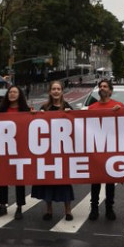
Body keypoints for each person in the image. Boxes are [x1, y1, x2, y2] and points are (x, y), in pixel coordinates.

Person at [32, 81, 75, 221]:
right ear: (50, 91)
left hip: (63, 151)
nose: (56, 91)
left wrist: (71, 114)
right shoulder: (44, 107)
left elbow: (77, 125)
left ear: (62, 91)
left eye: (58, 89)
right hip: (48, 150)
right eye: (53, 89)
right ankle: (48, 210)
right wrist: (35, 115)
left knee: (64, 180)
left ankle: (68, 210)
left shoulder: (67, 107)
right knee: (48, 179)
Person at [88, 79, 124, 221]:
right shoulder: (92, 108)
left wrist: (121, 112)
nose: (102, 88)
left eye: (105, 86)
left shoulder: (118, 106)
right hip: (97, 149)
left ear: (110, 90)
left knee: (110, 181)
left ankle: (109, 209)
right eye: (100, 86)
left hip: (111, 149)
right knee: (96, 180)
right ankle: (94, 209)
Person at [0, 85, 32, 218]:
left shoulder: (26, 110)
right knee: (2, 178)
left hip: (20, 149)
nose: (12, 94)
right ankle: (2, 205)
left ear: (19, 94)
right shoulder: (1, 110)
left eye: (15, 92)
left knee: (19, 179)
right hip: (4, 149)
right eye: (10, 92)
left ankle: (19, 207)